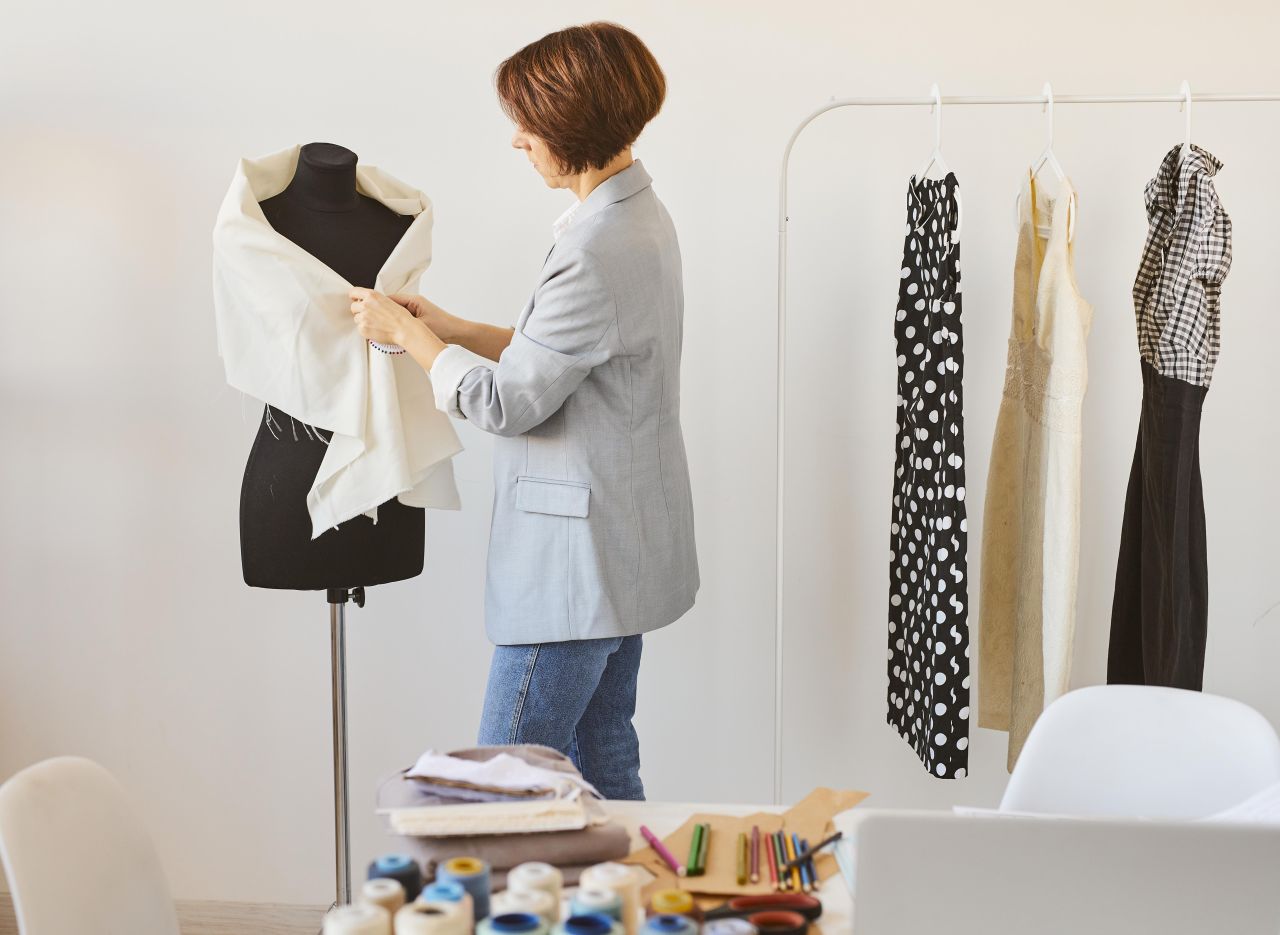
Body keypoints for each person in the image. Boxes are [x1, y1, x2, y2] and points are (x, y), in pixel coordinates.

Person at [347, 21, 697, 799]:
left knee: (496, 785)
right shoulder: (640, 217)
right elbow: (569, 355)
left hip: (572, 570)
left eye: (528, 122)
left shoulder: (596, 246)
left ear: (573, 123)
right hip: (621, 550)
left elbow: (509, 403)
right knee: (606, 759)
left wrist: (404, 334)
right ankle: (627, 912)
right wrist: (452, 326)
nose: (518, 140)